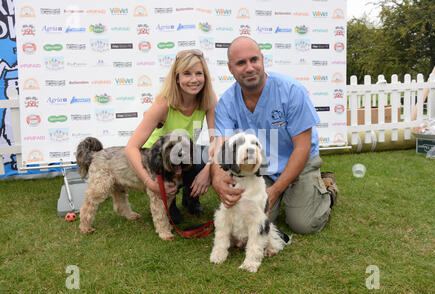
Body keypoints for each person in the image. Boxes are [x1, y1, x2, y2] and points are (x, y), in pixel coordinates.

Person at [211, 36, 339, 235]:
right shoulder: (226, 103)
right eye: (241, 63)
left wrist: (275, 191)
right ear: (230, 68)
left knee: (303, 224)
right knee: (252, 224)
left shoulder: (291, 91)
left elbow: (302, 148)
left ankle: (327, 189)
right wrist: (217, 178)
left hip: (300, 161)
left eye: (254, 60)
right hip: (260, 168)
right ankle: (294, 195)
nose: (249, 67)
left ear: (262, 59)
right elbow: (221, 147)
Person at [125, 49, 217, 224]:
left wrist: (207, 171)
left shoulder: (209, 99)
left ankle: (190, 198)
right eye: (187, 74)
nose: (194, 79)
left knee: (205, 159)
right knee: (174, 219)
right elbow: (131, 148)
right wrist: (150, 183)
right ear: (177, 77)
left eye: (199, 73)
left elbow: (216, 140)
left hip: (184, 152)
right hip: (160, 156)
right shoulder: (163, 104)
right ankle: (169, 198)